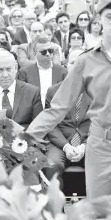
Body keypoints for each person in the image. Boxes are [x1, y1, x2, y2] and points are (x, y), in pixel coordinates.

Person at [26, 0, 111, 198]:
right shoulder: (85, 61)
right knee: (100, 210)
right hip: (100, 146)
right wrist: (26, 137)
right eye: (109, 17)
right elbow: (59, 107)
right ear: (99, 20)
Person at [43, 52, 91, 190]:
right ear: (66, 65)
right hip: (60, 144)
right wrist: (66, 146)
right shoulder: (53, 92)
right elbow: (51, 124)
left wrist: (85, 146)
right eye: (72, 63)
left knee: (102, 163)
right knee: (51, 165)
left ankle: (95, 210)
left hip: (90, 143)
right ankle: (55, 210)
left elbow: (100, 123)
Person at [0, 51, 43, 129]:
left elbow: (39, 125)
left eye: (9, 69)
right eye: (0, 70)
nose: (5, 75)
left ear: (16, 68)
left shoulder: (32, 92)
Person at [18, 36, 68, 107]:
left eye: (50, 51)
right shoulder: (24, 73)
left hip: (56, 111)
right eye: (43, 52)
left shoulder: (63, 72)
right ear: (34, 54)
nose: (48, 54)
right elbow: (22, 98)